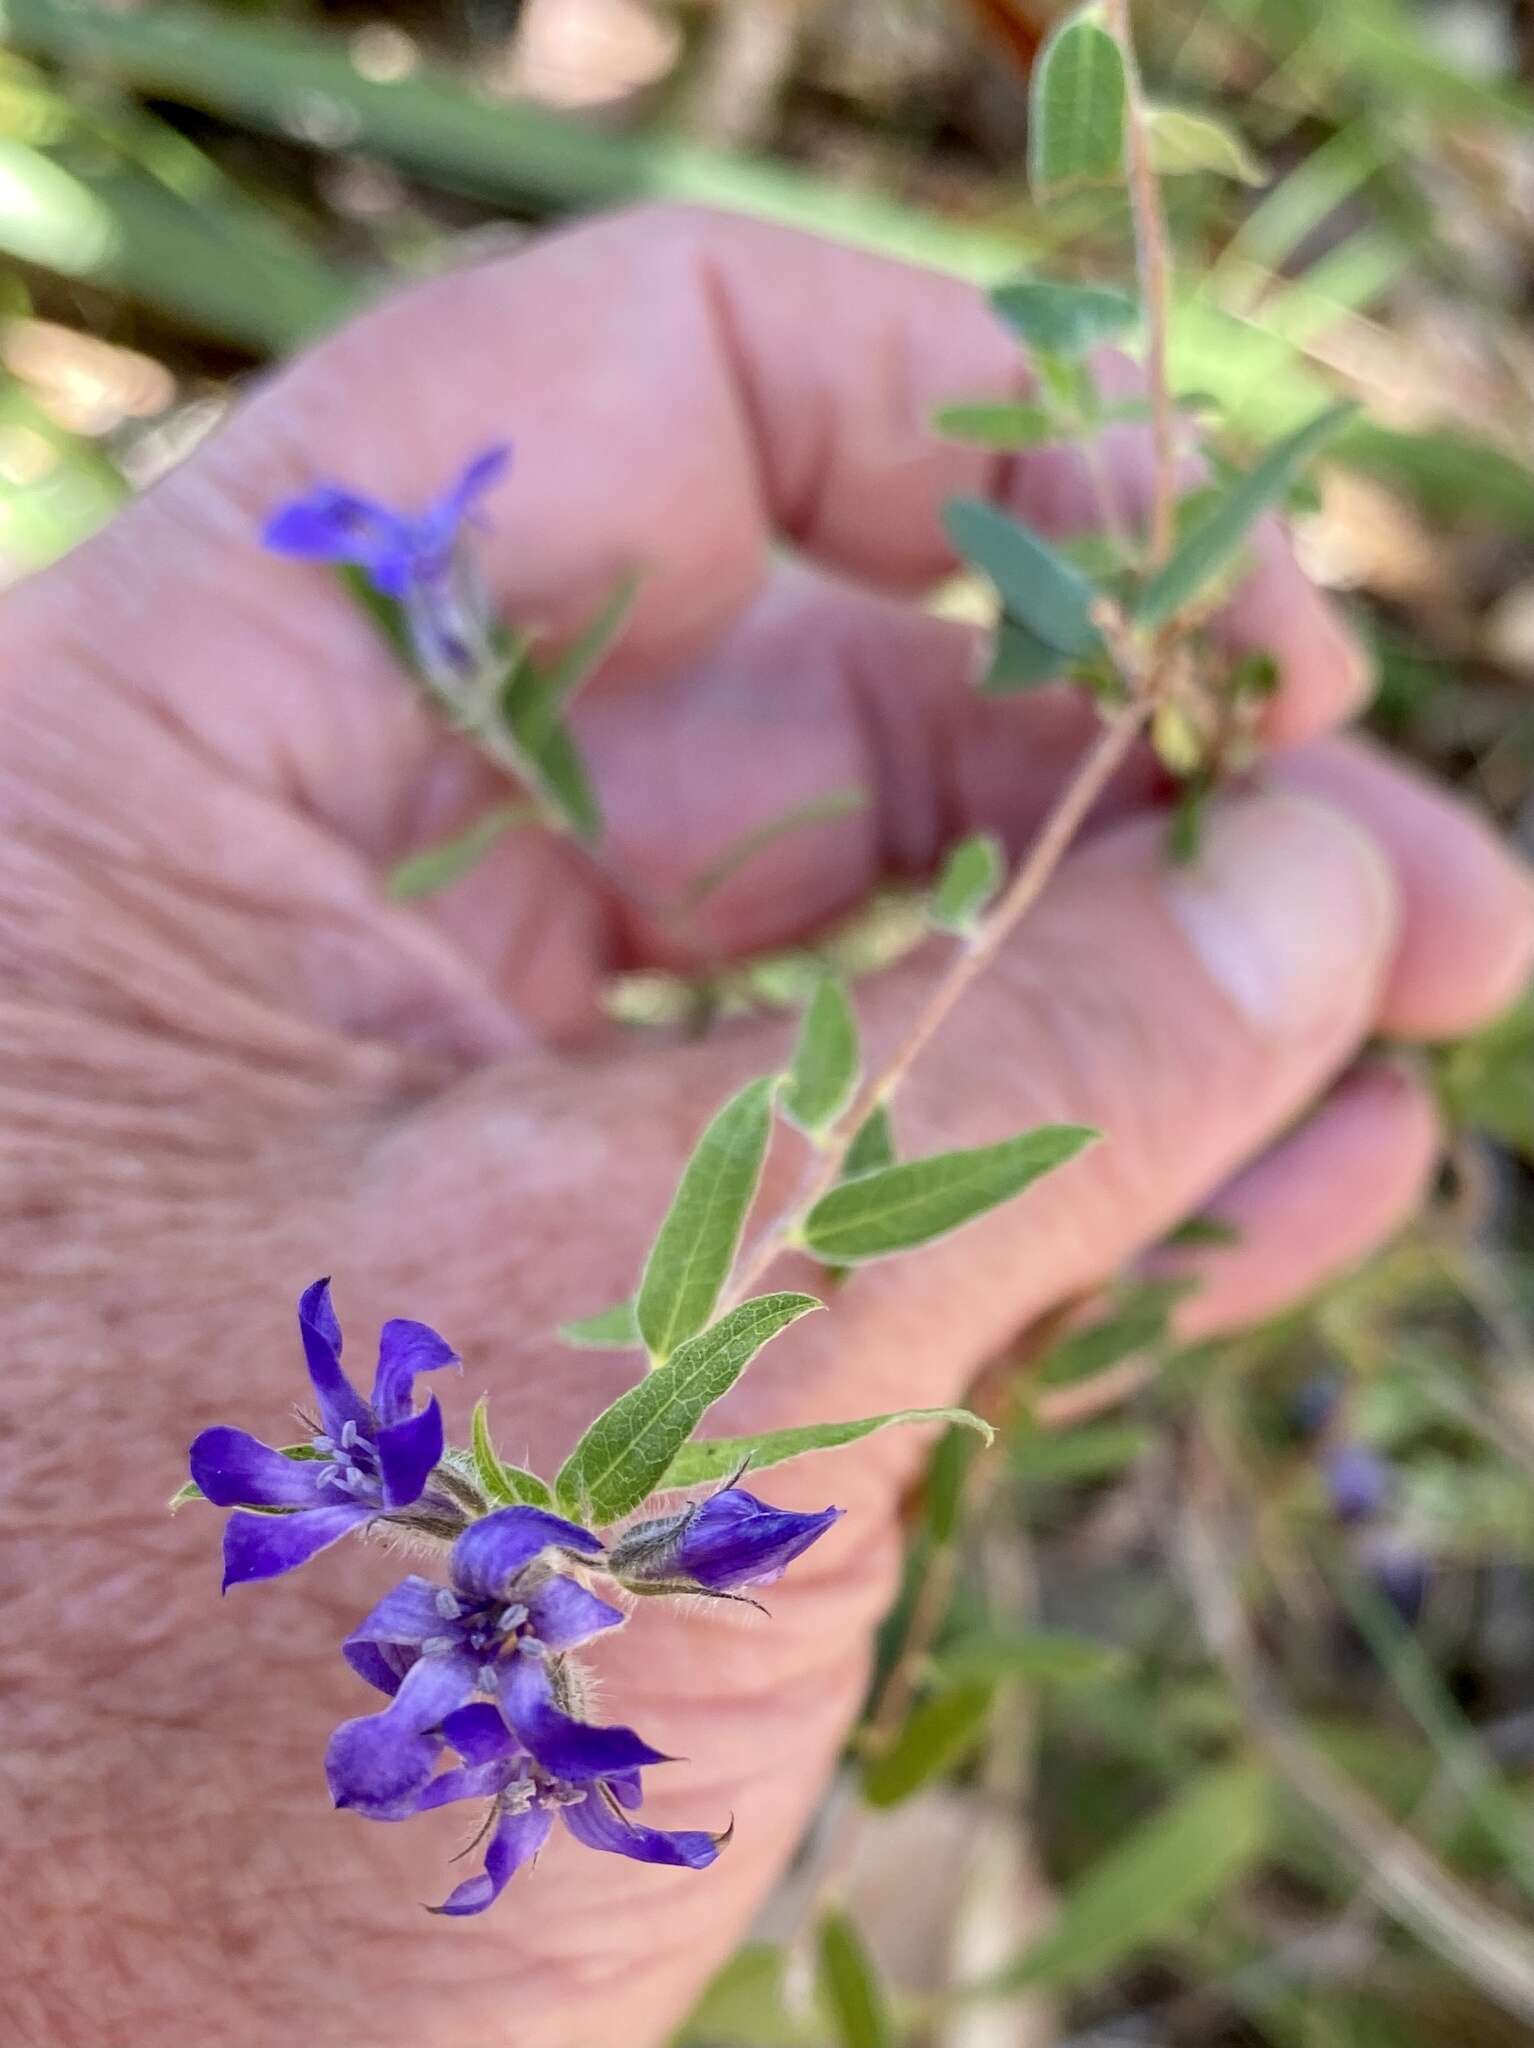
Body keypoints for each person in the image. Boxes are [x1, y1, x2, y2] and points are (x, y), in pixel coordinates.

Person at [5, 205, 1531, 2048]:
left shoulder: (501, 1578)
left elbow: (488, 1552)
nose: (474, 1657)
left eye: (470, 1656)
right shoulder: (507, 1611)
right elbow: (489, 1574)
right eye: (478, 1668)